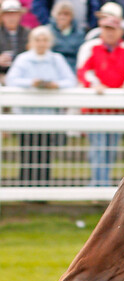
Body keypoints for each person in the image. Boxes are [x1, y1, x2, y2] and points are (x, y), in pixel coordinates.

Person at [5, 25, 76, 182]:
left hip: (49, 115)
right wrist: (31, 82)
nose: (41, 43)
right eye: (38, 40)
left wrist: (55, 85)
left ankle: (43, 183)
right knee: (26, 151)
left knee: (45, 151)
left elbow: (70, 80)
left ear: (49, 42)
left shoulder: (56, 59)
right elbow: (12, 80)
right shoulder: (23, 59)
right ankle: (26, 184)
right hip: (26, 115)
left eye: (44, 40)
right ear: (31, 42)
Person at [76, 15, 124, 185]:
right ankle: (98, 184)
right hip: (94, 108)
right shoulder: (91, 47)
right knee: (97, 148)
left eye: (112, 29)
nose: (109, 32)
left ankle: (102, 184)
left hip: (117, 108)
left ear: (120, 31)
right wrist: (95, 85)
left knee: (111, 149)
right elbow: (83, 70)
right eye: (106, 29)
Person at [47, 0, 83, 68]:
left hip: (72, 66)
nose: (62, 17)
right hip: (52, 66)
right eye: (59, 14)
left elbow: (80, 54)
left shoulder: (79, 33)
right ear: (54, 15)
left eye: (66, 14)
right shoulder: (48, 32)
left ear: (71, 16)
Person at [0, 0, 30, 78]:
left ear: (20, 16)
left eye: (14, 14)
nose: (11, 18)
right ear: (2, 16)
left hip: (24, 75)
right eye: (8, 15)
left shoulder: (28, 33)